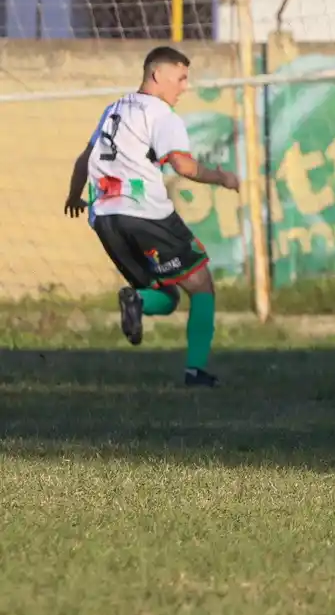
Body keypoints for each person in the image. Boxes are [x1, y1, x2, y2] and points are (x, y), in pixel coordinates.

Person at [63, 46, 240, 387]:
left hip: (105, 218)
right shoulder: (162, 114)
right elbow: (183, 166)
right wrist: (223, 178)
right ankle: (195, 371)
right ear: (157, 75)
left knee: (167, 297)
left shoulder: (115, 109)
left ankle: (137, 300)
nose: (185, 87)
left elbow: (85, 158)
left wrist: (73, 196)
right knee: (201, 286)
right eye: (181, 78)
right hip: (146, 214)